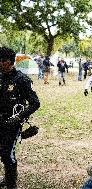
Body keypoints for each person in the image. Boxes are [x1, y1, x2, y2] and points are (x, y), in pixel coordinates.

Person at [0, 47, 40, 189]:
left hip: (12, 124)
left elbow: (35, 103)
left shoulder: (21, 79)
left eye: (2, 60)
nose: (0, 63)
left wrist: (18, 117)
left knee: (7, 154)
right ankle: (7, 178)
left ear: (9, 62)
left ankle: (11, 184)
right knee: (3, 152)